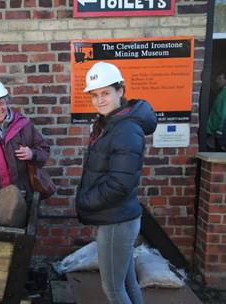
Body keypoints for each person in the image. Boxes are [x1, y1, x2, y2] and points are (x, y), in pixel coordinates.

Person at [75, 62, 157, 304]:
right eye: (95, 95)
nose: (100, 100)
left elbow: (120, 183)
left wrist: (86, 200)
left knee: (112, 288)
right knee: (127, 282)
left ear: (120, 91)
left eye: (106, 93)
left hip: (116, 221)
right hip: (118, 217)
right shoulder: (111, 123)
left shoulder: (126, 129)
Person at [207, 69, 226, 151]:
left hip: (218, 132)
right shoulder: (221, 92)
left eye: (219, 79)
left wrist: (219, 130)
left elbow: (224, 113)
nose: (216, 81)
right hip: (213, 130)